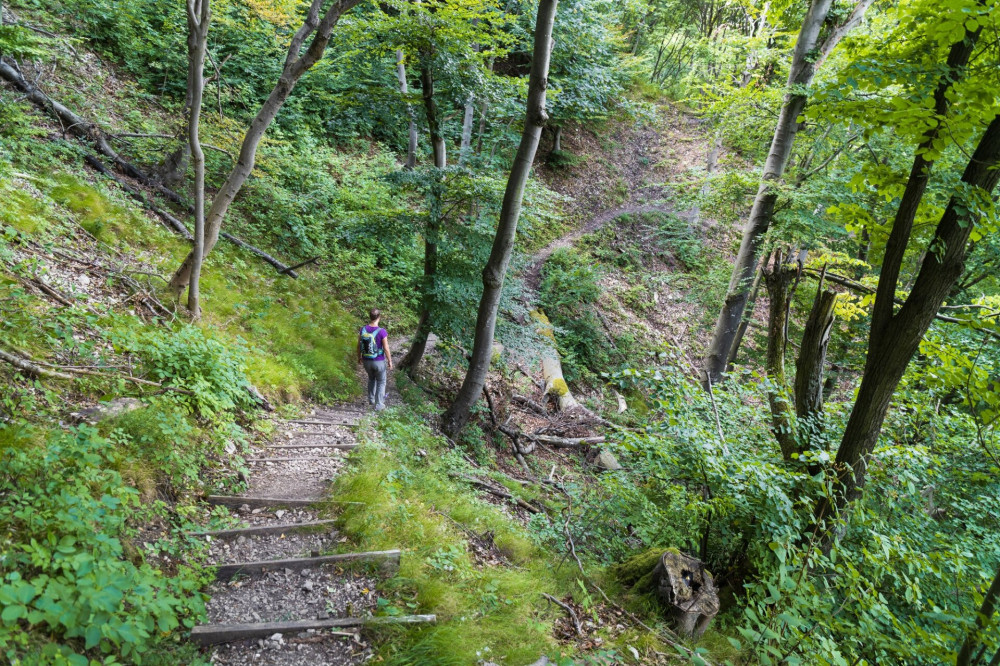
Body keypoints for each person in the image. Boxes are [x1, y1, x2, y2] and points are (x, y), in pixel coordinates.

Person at [358, 308, 392, 411]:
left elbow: (358, 345)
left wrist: (359, 357)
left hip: (366, 361)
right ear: (379, 317)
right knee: (381, 381)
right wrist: (390, 361)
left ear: (370, 317)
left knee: (371, 379)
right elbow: (386, 348)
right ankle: (379, 405)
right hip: (379, 361)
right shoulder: (382, 332)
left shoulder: (363, 329)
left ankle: (371, 400)